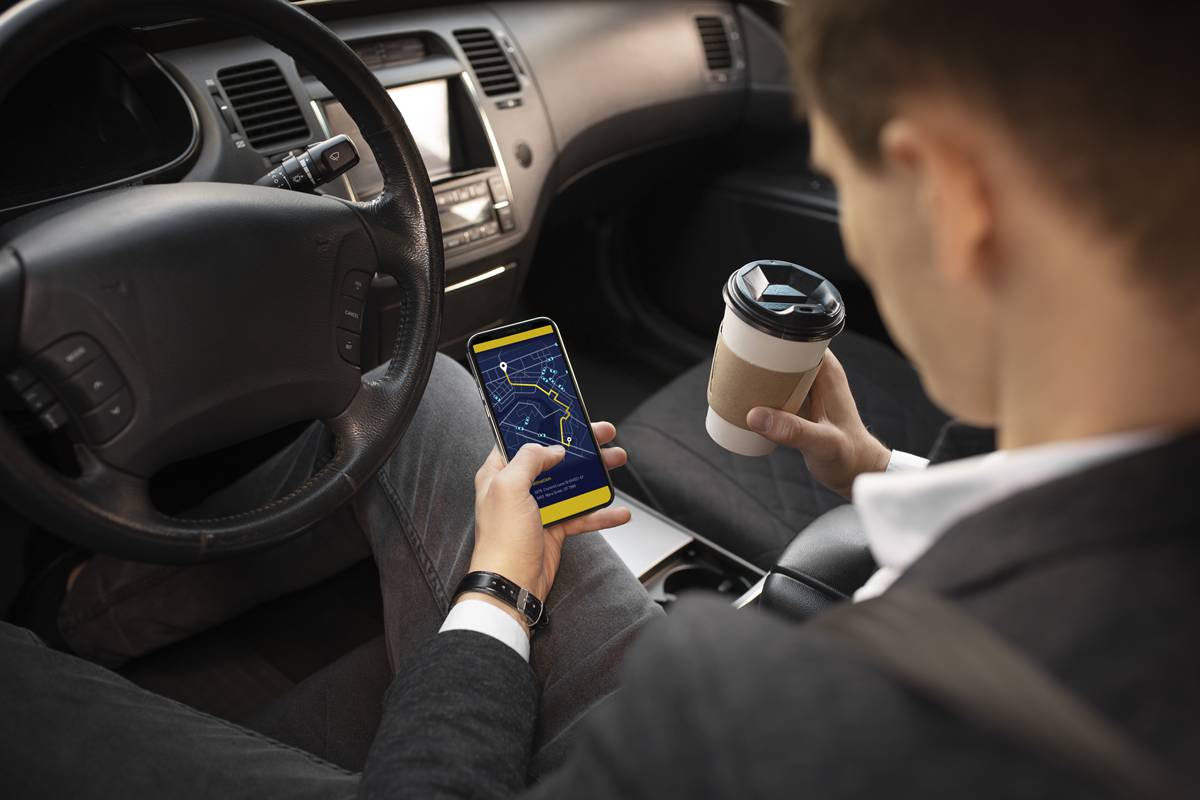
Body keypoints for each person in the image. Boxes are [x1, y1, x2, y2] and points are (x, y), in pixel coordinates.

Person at [358, 1, 1200, 797]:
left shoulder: (744, 721)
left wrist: (498, 588)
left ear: (951, 198)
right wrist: (876, 469)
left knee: (410, 390)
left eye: (843, 182)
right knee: (430, 394)